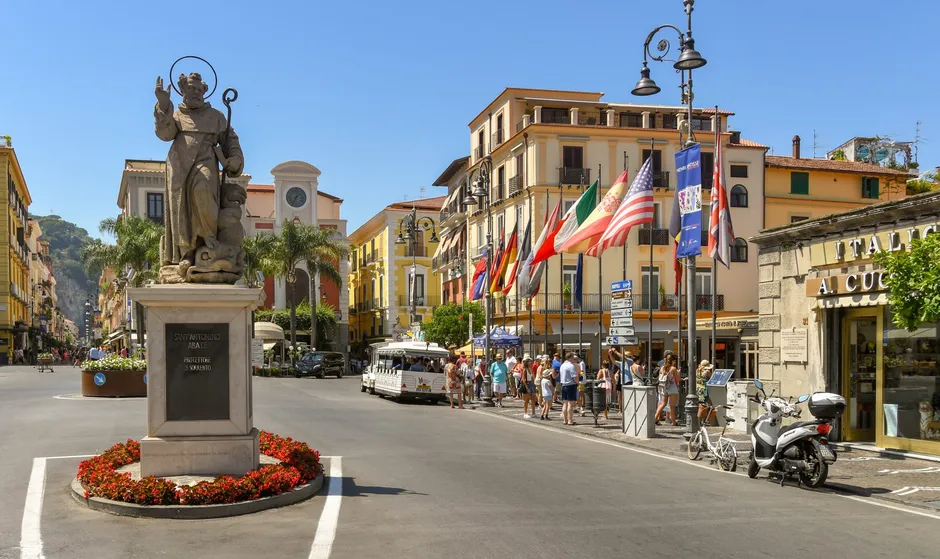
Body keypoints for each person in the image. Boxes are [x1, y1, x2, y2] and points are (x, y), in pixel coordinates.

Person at [655, 354, 680, 426]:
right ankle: (674, 422)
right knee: (672, 406)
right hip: (672, 387)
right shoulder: (673, 368)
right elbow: (677, 379)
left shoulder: (662, 367)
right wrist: (678, 373)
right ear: (672, 361)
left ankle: (655, 418)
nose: (675, 362)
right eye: (674, 361)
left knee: (663, 403)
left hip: (664, 386)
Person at [559, 353, 580, 425]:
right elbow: (575, 377)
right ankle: (570, 420)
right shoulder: (571, 366)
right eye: (573, 358)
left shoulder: (562, 365)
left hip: (563, 385)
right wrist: (577, 383)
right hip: (571, 385)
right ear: (570, 357)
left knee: (565, 403)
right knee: (571, 404)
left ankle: (565, 420)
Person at [696, 360, 715, 425]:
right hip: (704, 390)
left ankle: (700, 420)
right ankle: (701, 420)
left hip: (698, 389)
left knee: (701, 404)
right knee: (703, 405)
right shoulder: (707, 371)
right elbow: (712, 379)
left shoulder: (697, 370)